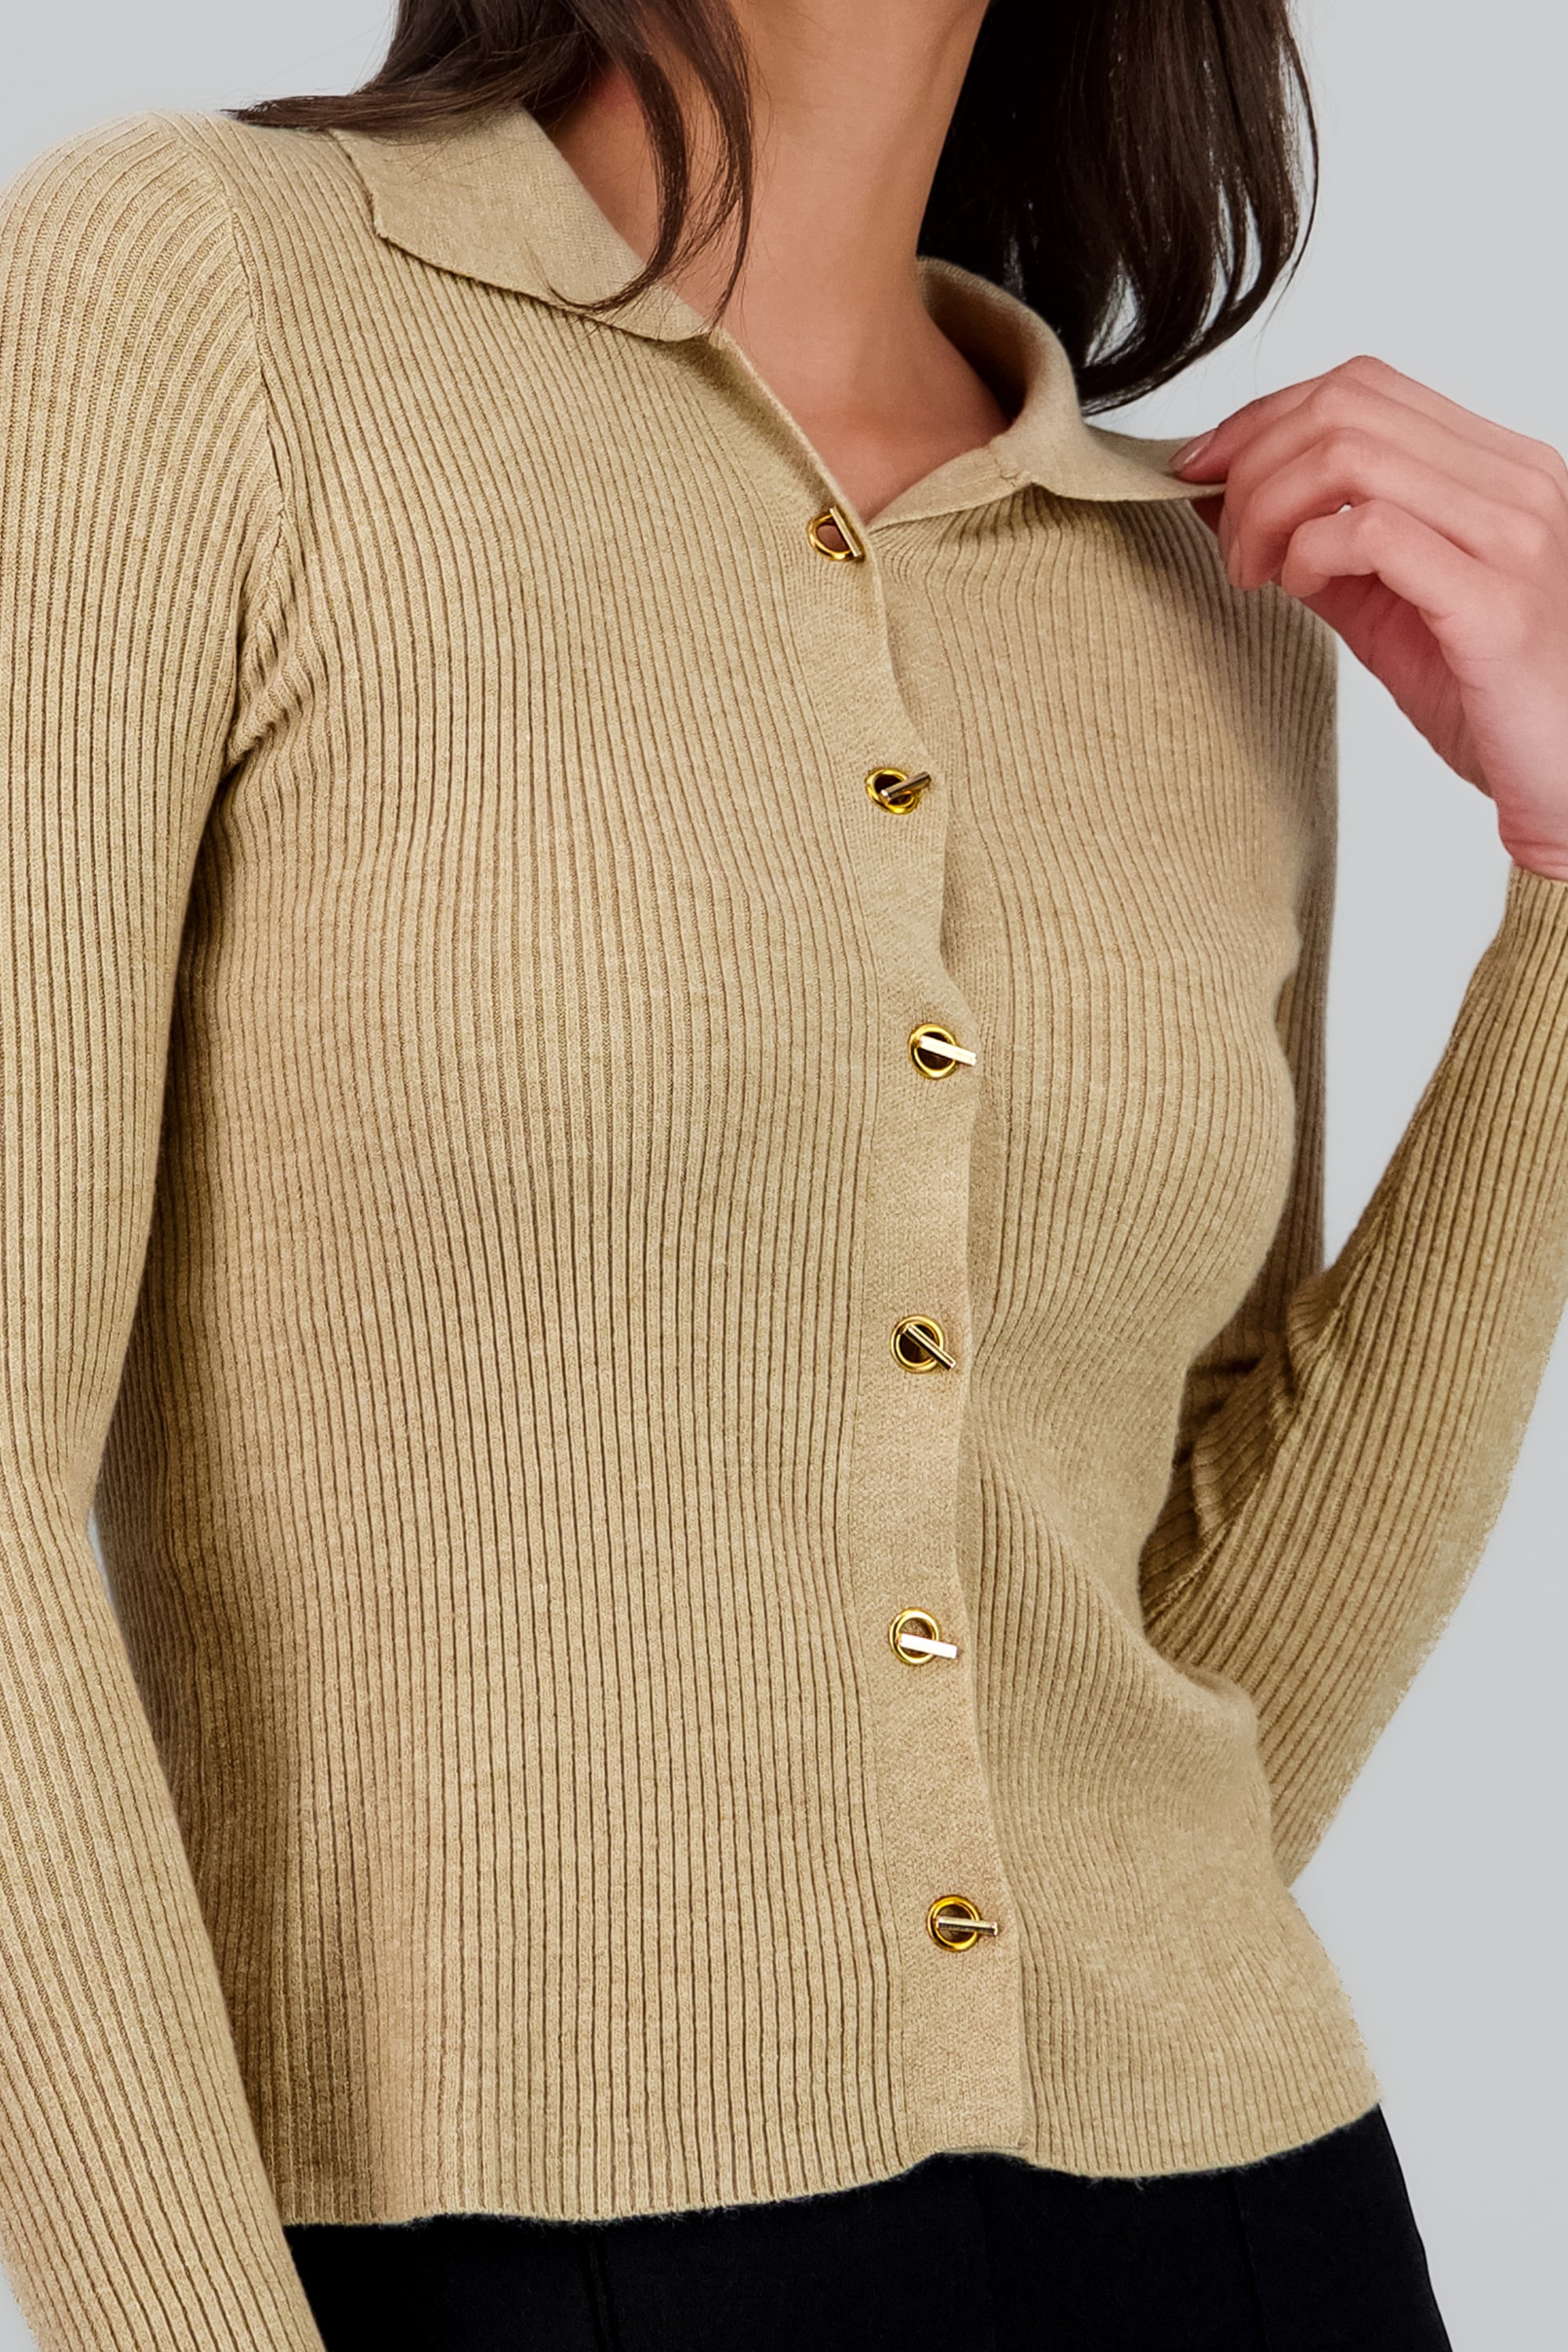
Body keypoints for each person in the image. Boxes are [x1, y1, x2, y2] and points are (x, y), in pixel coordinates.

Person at [2, 1, 1565, 2346]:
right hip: (470, 2256)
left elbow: (1196, 1682)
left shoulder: (1202, 585)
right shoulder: (198, 300)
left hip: (1244, 2237)